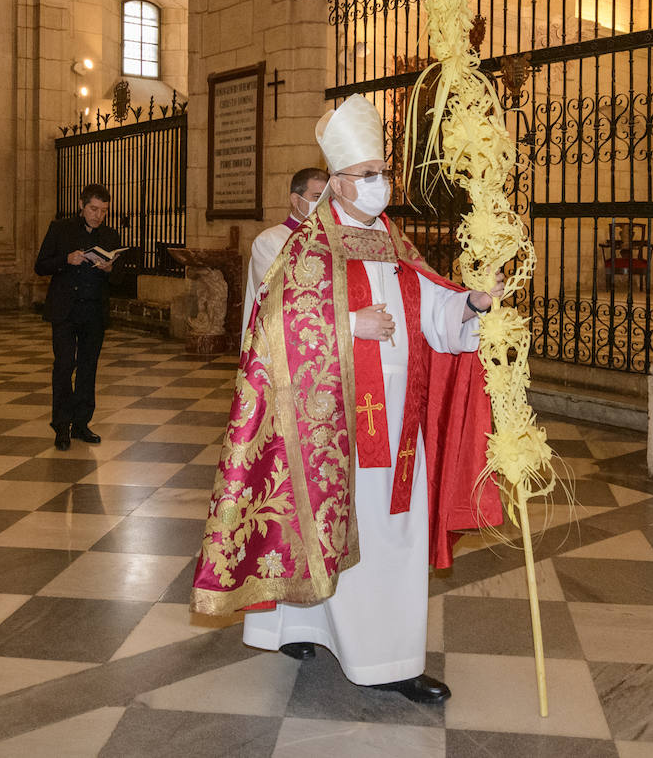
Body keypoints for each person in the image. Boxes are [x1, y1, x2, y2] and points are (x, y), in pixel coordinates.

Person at [191, 95, 505, 704]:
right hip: (334, 422)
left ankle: (391, 658)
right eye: (368, 175)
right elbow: (271, 326)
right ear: (336, 182)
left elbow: (430, 306)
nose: (380, 184)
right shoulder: (310, 244)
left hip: (399, 416)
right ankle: (303, 625)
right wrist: (348, 326)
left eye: (384, 172)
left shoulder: (390, 237)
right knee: (330, 525)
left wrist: (469, 303)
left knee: (394, 533)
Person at [34, 183, 120, 451]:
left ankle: (82, 424)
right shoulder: (60, 229)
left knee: (87, 368)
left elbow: (121, 279)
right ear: (81, 206)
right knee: (63, 366)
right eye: (93, 209)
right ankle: (61, 425)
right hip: (65, 310)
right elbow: (40, 266)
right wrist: (65, 260)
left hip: (93, 312)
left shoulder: (110, 235)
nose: (98, 216)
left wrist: (109, 269)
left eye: (104, 211)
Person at [241, 166, 328, 334]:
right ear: (295, 200)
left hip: (324, 331)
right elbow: (273, 295)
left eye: (326, 198)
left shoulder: (329, 240)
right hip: (283, 333)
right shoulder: (269, 241)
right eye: (316, 197)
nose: (322, 204)